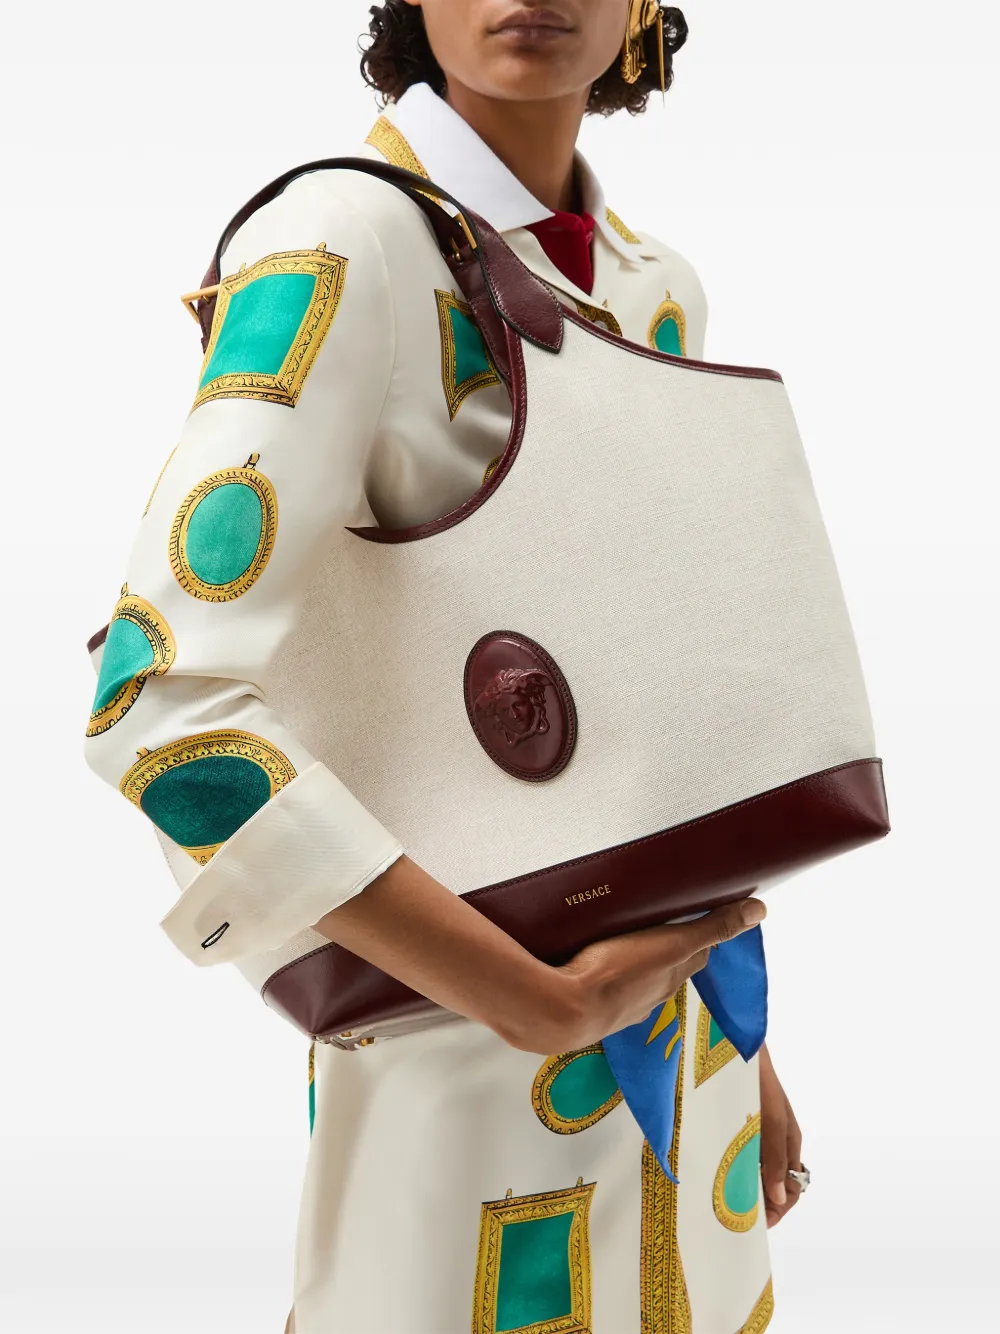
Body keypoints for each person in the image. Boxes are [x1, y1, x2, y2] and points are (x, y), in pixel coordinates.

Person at [84, 3, 806, 1330]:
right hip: (455, 1047)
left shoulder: (655, 283)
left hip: (686, 1053)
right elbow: (157, 701)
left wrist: (746, 1050)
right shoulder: (337, 245)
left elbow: (663, 699)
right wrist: (531, 1002)